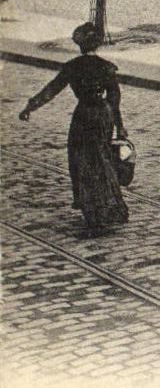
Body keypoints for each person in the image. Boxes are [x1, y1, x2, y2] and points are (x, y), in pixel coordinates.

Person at [18, 22, 130, 234]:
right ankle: (112, 206)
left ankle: (91, 206)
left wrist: (30, 107)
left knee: (81, 160)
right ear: (97, 44)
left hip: (84, 115)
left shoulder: (73, 67)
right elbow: (115, 100)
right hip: (103, 115)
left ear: (79, 45)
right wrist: (120, 126)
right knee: (103, 157)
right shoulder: (107, 67)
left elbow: (51, 89)